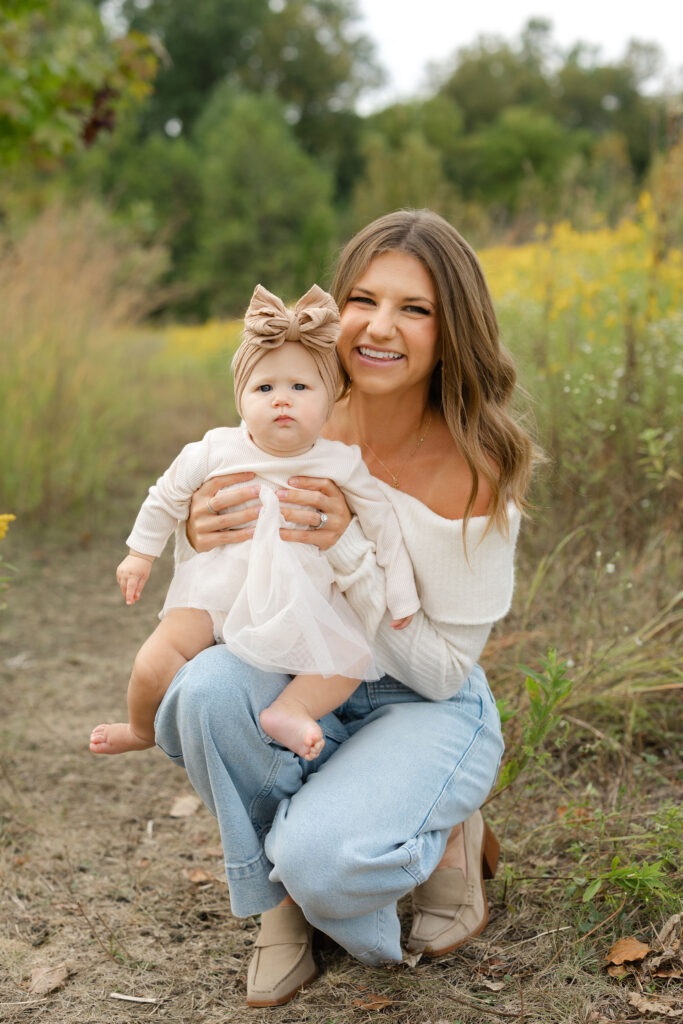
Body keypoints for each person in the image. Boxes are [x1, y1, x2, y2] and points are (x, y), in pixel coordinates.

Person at [153, 209, 537, 1008]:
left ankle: (438, 840)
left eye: (415, 309)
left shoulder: (477, 466)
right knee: (201, 693)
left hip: (422, 703)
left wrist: (348, 549)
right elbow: (218, 612)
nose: (379, 327)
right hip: (304, 690)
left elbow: (437, 671)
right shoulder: (288, 415)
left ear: (451, 329)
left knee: (326, 860)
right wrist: (198, 536)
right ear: (334, 310)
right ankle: (282, 904)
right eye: (363, 298)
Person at [90, 284, 418, 762]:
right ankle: (142, 728)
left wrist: (401, 592)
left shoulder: (339, 462)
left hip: (299, 600)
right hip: (214, 596)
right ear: (240, 400)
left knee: (348, 660)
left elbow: (384, 526)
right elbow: (165, 498)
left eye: (300, 387)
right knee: (152, 662)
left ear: (330, 402)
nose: (281, 400)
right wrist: (141, 554)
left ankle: (289, 710)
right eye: (264, 388)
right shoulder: (214, 450)